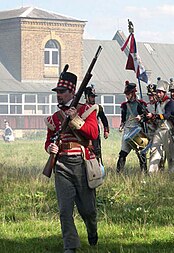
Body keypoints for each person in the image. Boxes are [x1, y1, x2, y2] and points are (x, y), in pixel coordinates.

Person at [44, 67, 99, 253]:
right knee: (65, 211)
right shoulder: (54, 118)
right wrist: (50, 148)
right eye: (57, 92)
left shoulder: (86, 110)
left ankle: (92, 230)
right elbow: (48, 140)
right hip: (61, 165)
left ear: (72, 92)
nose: (58, 95)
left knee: (88, 210)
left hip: (82, 164)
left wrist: (75, 118)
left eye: (62, 92)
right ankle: (70, 246)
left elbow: (93, 133)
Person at [146, 79, 174, 173]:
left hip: (168, 130)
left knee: (171, 154)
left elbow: (167, 115)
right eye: (157, 92)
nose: (158, 94)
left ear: (164, 93)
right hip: (159, 130)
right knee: (154, 151)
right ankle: (152, 172)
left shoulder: (170, 103)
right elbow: (155, 118)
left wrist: (154, 116)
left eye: (160, 92)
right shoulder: (157, 104)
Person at [116, 81, 148, 173]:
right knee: (122, 153)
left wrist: (141, 117)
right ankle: (118, 173)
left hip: (137, 130)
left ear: (133, 93)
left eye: (128, 94)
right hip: (127, 131)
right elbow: (123, 118)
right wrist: (121, 125)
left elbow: (147, 117)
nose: (127, 96)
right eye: (126, 94)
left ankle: (144, 173)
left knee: (141, 154)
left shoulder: (141, 104)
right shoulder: (124, 106)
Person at [84, 84, 110, 166]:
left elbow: (104, 119)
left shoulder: (98, 107)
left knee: (97, 151)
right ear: (87, 96)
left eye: (94, 96)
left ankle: (99, 167)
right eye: (91, 96)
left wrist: (106, 130)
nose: (93, 98)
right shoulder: (82, 108)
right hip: (85, 133)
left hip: (95, 132)